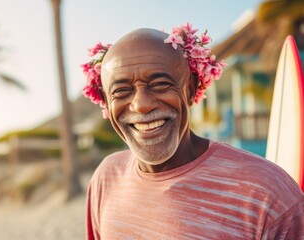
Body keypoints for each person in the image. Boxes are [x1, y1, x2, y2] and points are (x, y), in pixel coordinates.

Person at [81, 23, 304, 239]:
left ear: (190, 88)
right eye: (121, 91)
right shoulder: (106, 178)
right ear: (105, 102)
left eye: (160, 84)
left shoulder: (267, 192)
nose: (141, 105)